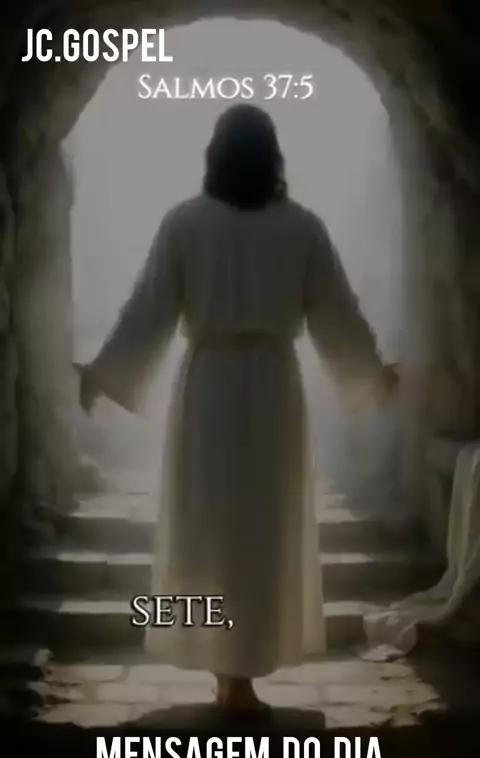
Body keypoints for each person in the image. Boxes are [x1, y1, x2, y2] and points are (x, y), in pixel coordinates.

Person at [78, 105, 399, 712]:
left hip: (209, 390)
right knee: (261, 530)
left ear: (215, 155)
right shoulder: (302, 228)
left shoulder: (185, 223)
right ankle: (241, 674)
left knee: (210, 528)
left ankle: (230, 673)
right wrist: (372, 373)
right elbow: (338, 313)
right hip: (275, 390)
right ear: (273, 158)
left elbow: (146, 309)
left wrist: (103, 373)